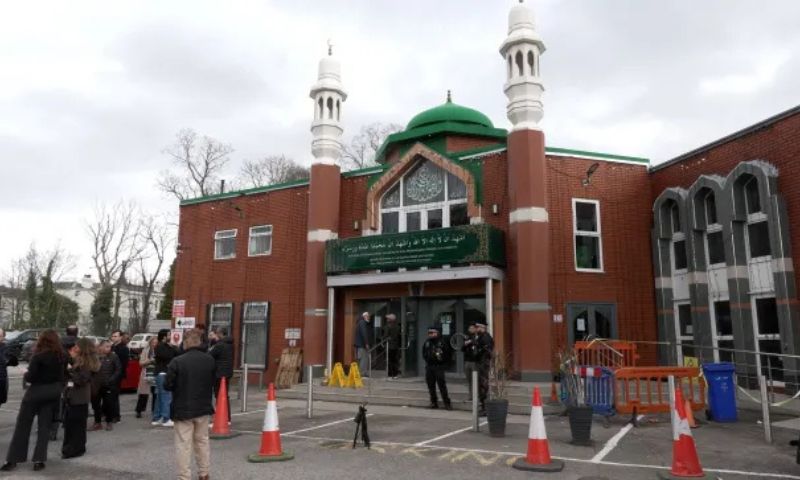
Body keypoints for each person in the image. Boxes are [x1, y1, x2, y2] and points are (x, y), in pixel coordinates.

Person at [1, 330, 67, 472]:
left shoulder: (38, 356)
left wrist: (25, 372)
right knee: (44, 428)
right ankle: (39, 460)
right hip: (52, 393)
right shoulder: (62, 356)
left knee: (23, 426)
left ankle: (13, 460)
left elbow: (31, 377)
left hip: (35, 393)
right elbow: (63, 376)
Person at [165, 328, 215, 480]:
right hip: (203, 406)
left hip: (183, 407)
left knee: (183, 444)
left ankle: (184, 476)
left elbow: (168, 385)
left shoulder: (177, 361)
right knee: (202, 441)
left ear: (185, 342)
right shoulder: (209, 359)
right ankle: (204, 473)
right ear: (199, 342)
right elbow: (213, 381)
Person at [62, 337, 99, 459]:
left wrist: (69, 371)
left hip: (80, 397)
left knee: (76, 425)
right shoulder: (79, 360)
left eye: (77, 346)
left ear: (83, 348)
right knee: (71, 424)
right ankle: (70, 448)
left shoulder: (87, 362)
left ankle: (75, 449)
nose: (74, 348)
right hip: (73, 395)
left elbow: (81, 380)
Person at [91, 340, 121, 431]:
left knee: (108, 404)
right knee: (95, 404)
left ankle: (109, 422)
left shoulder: (114, 356)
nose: (109, 348)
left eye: (109, 346)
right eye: (106, 346)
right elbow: (90, 369)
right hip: (96, 385)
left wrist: (111, 380)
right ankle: (97, 422)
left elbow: (118, 370)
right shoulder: (94, 356)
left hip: (108, 385)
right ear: (100, 347)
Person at [422, 327, 452, 410]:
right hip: (429, 366)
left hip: (439, 366)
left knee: (441, 385)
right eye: (429, 333)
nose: (430, 334)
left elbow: (447, 354)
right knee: (431, 385)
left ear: (437, 333)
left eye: (432, 333)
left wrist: (443, 363)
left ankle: (447, 403)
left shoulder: (442, 342)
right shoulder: (427, 342)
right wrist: (428, 359)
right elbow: (424, 353)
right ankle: (433, 402)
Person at [153, 329, 177, 427]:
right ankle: (166, 419)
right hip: (162, 373)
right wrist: (173, 348)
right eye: (169, 335)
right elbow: (169, 355)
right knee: (166, 396)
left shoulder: (164, 346)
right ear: (164, 336)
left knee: (160, 396)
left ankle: (157, 418)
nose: (170, 336)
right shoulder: (160, 346)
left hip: (162, 373)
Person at [208, 327, 233, 423]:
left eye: (217, 333)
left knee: (219, 395)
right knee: (225, 395)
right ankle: (227, 418)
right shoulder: (230, 344)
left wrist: (213, 343)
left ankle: (222, 417)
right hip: (227, 372)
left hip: (219, 373)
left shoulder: (220, 345)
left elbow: (209, 355)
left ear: (220, 334)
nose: (216, 335)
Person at [475, 322, 495, 416]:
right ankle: (483, 407)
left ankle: (485, 408)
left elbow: (486, 351)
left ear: (482, 327)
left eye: (477, 327)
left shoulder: (486, 337)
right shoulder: (481, 337)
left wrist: (478, 353)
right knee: (481, 385)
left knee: (483, 385)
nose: (476, 329)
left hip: (484, 363)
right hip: (481, 362)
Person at [136, 336, 159, 418]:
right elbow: (141, 363)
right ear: (150, 343)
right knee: (143, 393)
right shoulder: (145, 351)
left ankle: (154, 411)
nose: (154, 344)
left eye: (156, 343)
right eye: (153, 343)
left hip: (155, 374)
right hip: (146, 373)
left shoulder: (159, 351)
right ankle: (139, 410)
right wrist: (150, 360)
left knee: (155, 393)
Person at [110, 330, 129, 422]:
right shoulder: (112, 347)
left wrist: (118, 375)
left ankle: (116, 416)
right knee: (110, 395)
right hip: (110, 374)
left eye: (115, 336)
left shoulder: (123, 348)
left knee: (114, 395)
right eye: (113, 336)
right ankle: (109, 413)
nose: (113, 338)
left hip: (117, 375)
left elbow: (124, 364)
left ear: (121, 337)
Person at [0, 329, 20, 408]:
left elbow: (14, 362)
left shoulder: (5, 348)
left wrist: (11, 359)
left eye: (0, 336)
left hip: (1, 380)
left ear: (3, 338)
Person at [461, 323, 479, 402]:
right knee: (469, 380)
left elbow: (478, 345)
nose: (470, 330)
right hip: (467, 361)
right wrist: (465, 344)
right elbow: (462, 349)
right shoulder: (467, 337)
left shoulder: (478, 337)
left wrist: (471, 342)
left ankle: (478, 395)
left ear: (475, 329)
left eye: (471, 328)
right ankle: (470, 396)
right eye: (469, 328)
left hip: (475, 362)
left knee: (476, 379)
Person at [382, 314, 401, 379]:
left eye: (388, 319)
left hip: (389, 346)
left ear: (390, 320)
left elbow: (385, 336)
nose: (387, 320)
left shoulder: (387, 326)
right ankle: (395, 374)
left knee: (389, 361)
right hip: (396, 346)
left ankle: (390, 375)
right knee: (395, 361)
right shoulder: (398, 327)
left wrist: (383, 339)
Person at [353, 312, 371, 377]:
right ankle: (362, 373)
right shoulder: (362, 323)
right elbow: (364, 333)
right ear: (365, 316)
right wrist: (366, 343)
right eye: (368, 316)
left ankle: (363, 372)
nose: (369, 317)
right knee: (363, 359)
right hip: (362, 345)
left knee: (363, 359)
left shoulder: (360, 323)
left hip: (360, 345)